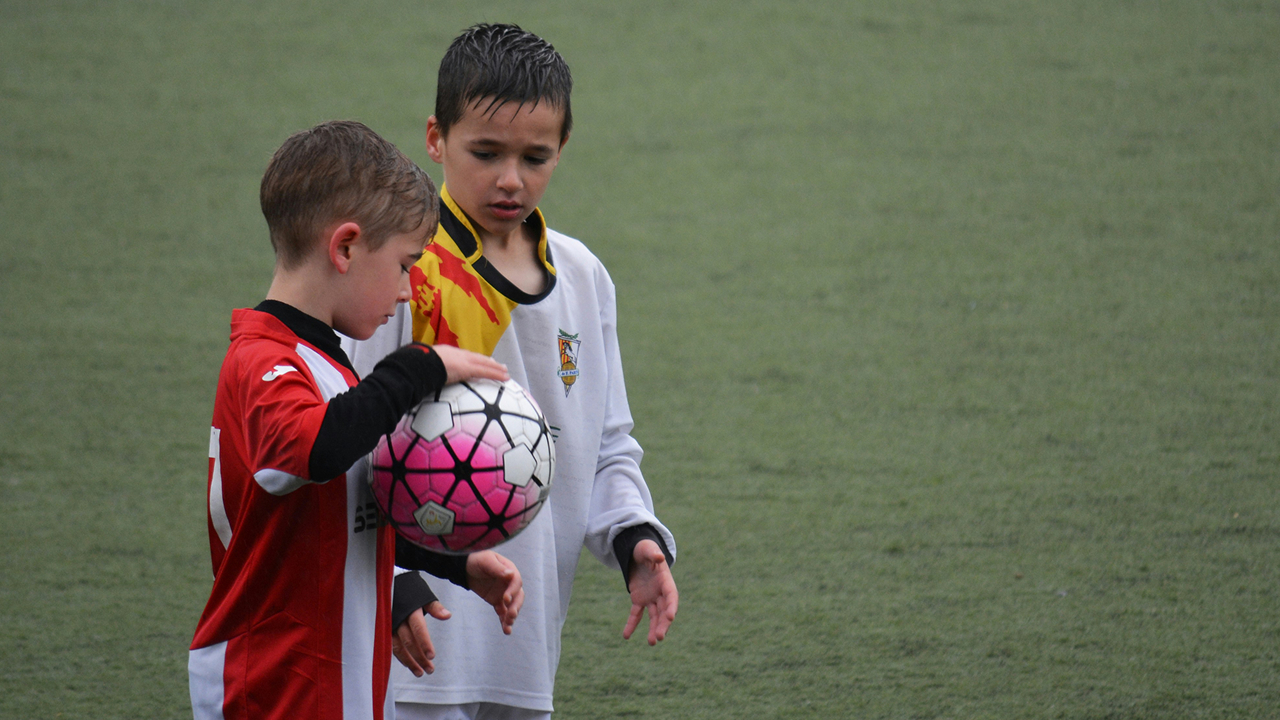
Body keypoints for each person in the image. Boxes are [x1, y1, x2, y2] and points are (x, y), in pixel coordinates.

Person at [342, 24, 678, 720]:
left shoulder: (583, 276)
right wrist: (397, 576)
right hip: (410, 643)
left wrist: (634, 538)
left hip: (525, 643)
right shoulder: (404, 272)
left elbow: (607, 442)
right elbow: (346, 441)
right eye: (486, 153)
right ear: (436, 139)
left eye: (536, 157)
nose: (510, 179)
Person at [189, 120, 525, 720]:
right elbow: (312, 449)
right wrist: (417, 368)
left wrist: (454, 563)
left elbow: (347, 513)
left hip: (328, 677)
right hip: (272, 683)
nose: (407, 291)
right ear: (344, 247)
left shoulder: (329, 367)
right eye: (403, 266)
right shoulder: (263, 361)